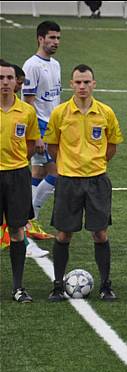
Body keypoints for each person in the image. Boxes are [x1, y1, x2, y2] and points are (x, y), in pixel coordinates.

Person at [44, 64, 123, 302]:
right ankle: (58, 285)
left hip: (97, 180)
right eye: (78, 82)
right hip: (69, 180)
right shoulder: (60, 113)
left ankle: (105, 285)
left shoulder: (106, 112)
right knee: (63, 233)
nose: (82, 86)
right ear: (71, 84)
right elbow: (52, 146)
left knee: (100, 233)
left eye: (86, 82)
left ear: (94, 84)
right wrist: (70, 166)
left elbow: (112, 146)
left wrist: (95, 163)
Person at [0, 60, 41, 302]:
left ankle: (17, 287)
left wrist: (15, 163)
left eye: (8, 78)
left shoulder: (27, 111)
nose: (4, 82)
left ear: (17, 82)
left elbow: (30, 144)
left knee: (17, 230)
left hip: (17, 176)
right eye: (0, 77)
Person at [22, 20, 62, 240]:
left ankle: (23, 220)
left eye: (58, 38)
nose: (55, 42)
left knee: (38, 173)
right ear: (40, 38)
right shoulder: (32, 66)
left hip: (54, 127)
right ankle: (30, 219)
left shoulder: (55, 64)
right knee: (57, 174)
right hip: (41, 127)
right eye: (51, 37)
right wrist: (35, 134)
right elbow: (28, 104)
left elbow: (55, 98)